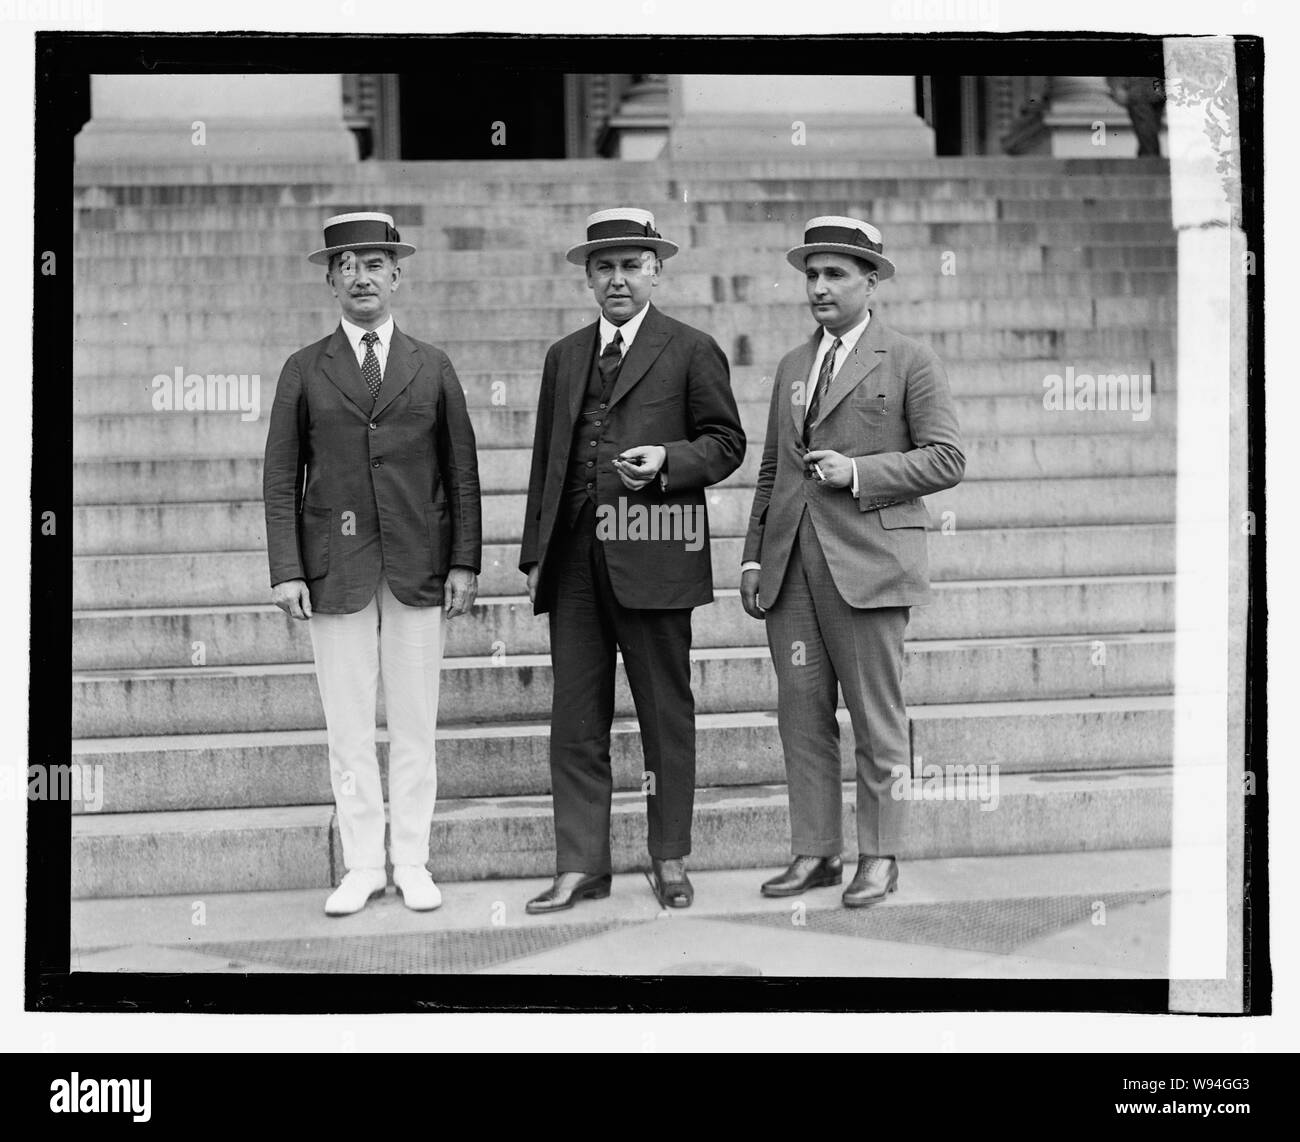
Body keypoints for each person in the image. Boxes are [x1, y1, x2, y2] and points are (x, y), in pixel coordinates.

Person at [519, 208, 745, 913]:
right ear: (588, 276)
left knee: (664, 713)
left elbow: (727, 444)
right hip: (576, 561)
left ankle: (670, 858)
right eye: (604, 267)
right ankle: (581, 863)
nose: (617, 278)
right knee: (575, 718)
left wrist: (670, 461)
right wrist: (536, 552)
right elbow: (547, 461)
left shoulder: (691, 348)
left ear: (656, 271)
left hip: (655, 553)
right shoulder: (564, 356)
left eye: (630, 265)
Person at [741, 215, 965, 907]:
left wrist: (859, 471)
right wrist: (753, 560)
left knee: (876, 718)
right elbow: (774, 470)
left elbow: (947, 458)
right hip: (792, 572)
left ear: (872, 281)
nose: (819, 286)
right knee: (801, 717)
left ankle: (880, 855)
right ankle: (815, 853)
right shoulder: (791, 366)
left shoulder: (909, 360)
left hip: (870, 567)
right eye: (811, 274)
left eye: (835, 273)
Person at [263, 212, 482, 916]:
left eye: (375, 263)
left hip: (418, 563)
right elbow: (280, 477)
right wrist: (287, 569)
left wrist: (465, 564)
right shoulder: (305, 368)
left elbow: (462, 472)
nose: (362, 276)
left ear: (397, 275)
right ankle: (361, 864)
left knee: (417, 724)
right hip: (334, 571)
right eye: (346, 264)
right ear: (330, 280)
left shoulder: (432, 364)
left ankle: (411, 860)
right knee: (349, 727)